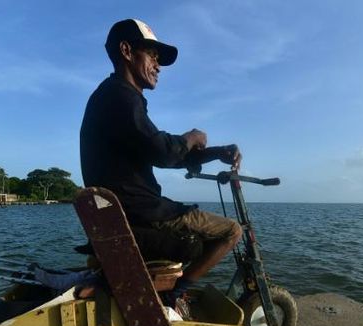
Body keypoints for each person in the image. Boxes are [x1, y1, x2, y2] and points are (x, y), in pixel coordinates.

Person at [79, 18, 243, 308]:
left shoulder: (112, 98)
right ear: (127, 51)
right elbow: (165, 152)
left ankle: (172, 290)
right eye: (152, 56)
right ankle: (174, 294)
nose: (158, 66)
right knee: (232, 231)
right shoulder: (121, 97)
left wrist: (214, 151)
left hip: (129, 214)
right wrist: (192, 136)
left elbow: (166, 153)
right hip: (143, 215)